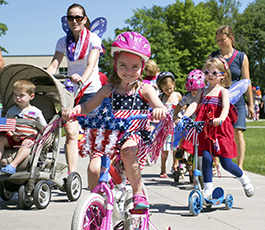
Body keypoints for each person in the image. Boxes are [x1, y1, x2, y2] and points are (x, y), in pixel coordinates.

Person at [62, 31, 168, 209]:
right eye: (123, 65)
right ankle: (96, 204)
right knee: (94, 168)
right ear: (114, 64)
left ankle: (138, 193)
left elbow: (161, 107)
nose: (128, 71)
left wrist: (159, 111)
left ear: (143, 66)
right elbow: (87, 107)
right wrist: (74, 110)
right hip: (109, 137)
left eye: (134, 66)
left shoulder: (144, 90)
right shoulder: (108, 89)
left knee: (127, 151)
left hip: (134, 136)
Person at [182, 57, 254, 199]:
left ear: (222, 75)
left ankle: (244, 179)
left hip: (220, 129)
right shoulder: (202, 91)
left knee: (226, 163)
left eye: (213, 73)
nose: (209, 75)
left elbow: (226, 106)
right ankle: (208, 188)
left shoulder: (223, 91)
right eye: (207, 72)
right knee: (206, 159)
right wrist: (185, 116)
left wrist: (220, 118)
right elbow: (194, 104)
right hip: (205, 128)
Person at [47, 3, 104, 173]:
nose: (74, 21)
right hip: (71, 92)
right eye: (70, 18)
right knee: (71, 134)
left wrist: (82, 80)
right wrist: (44, 78)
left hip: (92, 90)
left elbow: (91, 63)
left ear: (84, 19)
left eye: (78, 17)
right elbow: (54, 65)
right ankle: (72, 177)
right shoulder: (62, 41)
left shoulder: (94, 38)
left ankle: (95, 172)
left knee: (94, 136)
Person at [208, 25, 254, 170]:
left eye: (222, 39)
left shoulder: (241, 57)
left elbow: (247, 82)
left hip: (237, 100)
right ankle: (215, 163)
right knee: (214, 131)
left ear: (231, 38)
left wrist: (251, 104)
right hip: (217, 99)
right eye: (218, 40)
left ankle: (239, 166)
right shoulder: (213, 57)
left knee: (238, 132)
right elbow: (207, 78)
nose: (220, 43)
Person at [0, 80, 47, 174]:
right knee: (1, 139)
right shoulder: (11, 110)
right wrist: (11, 134)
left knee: (27, 143)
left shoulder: (36, 112)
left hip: (28, 138)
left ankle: (13, 165)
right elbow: (6, 126)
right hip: (14, 137)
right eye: (15, 94)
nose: (17, 97)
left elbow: (44, 127)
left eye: (21, 95)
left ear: (31, 96)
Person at [157, 71, 182, 178]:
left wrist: (179, 115)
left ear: (174, 85)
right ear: (161, 89)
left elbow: (183, 106)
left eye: (170, 88)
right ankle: (163, 168)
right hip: (165, 126)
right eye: (165, 89)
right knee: (165, 147)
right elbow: (156, 108)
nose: (169, 91)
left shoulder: (177, 96)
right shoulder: (161, 97)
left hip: (176, 125)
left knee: (176, 146)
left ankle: (175, 165)